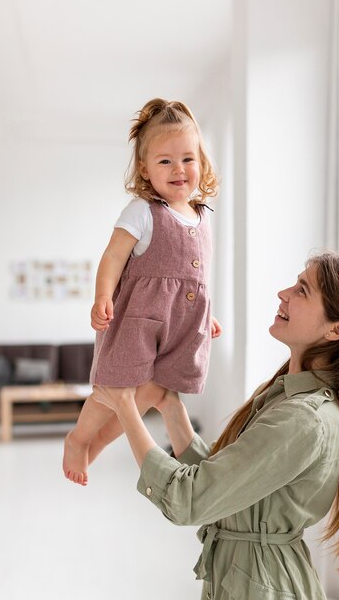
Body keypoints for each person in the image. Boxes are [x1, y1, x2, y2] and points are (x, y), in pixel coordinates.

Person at [91, 252, 339, 600]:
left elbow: (188, 501)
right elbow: (222, 484)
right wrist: (170, 406)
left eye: (302, 290)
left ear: (336, 330)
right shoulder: (284, 397)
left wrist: (126, 407)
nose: (284, 293)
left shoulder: (304, 418)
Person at [63, 98, 222, 486]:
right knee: (113, 388)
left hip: (181, 326)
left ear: (201, 162)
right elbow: (113, 257)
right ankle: (79, 437)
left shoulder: (201, 216)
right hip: (137, 316)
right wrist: (102, 296)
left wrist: (203, 313)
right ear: (145, 170)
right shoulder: (142, 211)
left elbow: (193, 278)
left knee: (150, 395)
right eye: (165, 161)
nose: (178, 169)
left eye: (187, 158)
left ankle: (98, 442)